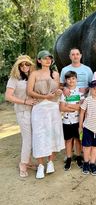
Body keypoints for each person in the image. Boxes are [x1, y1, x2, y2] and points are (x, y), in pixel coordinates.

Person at [27, 50, 65, 179]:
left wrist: (58, 92)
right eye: (44, 58)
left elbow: (57, 90)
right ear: (39, 60)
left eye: (49, 58)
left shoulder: (55, 74)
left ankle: (50, 162)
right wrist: (44, 96)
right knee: (39, 135)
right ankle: (40, 165)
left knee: (53, 134)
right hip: (39, 108)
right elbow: (29, 91)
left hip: (53, 108)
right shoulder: (34, 74)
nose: (48, 60)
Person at [60, 48, 93, 166]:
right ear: (70, 56)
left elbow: (92, 85)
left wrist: (87, 89)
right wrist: (64, 88)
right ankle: (69, 156)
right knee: (69, 138)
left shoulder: (87, 69)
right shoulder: (65, 70)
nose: (75, 56)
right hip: (68, 104)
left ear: (81, 55)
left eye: (77, 54)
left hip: (83, 104)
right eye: (73, 54)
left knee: (80, 134)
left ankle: (81, 155)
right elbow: (61, 84)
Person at [5, 55, 36, 178]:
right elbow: (8, 96)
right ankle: (23, 164)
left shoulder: (31, 77)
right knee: (27, 138)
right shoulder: (14, 78)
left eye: (27, 64)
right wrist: (24, 102)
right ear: (18, 66)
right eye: (22, 64)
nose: (24, 66)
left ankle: (27, 161)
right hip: (22, 111)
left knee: (32, 138)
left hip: (33, 111)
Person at [79, 80, 96, 175]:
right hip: (87, 127)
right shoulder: (88, 100)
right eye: (94, 89)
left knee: (95, 147)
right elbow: (82, 112)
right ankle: (86, 163)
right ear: (90, 89)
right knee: (87, 147)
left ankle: (92, 163)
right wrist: (80, 126)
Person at [59, 71, 84, 171]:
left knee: (78, 140)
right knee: (68, 140)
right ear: (66, 80)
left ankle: (78, 157)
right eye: (69, 79)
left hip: (78, 121)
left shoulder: (80, 92)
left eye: (73, 78)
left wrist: (68, 105)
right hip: (66, 121)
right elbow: (61, 108)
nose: (71, 80)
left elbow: (81, 106)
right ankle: (69, 158)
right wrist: (74, 107)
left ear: (76, 79)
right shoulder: (64, 93)